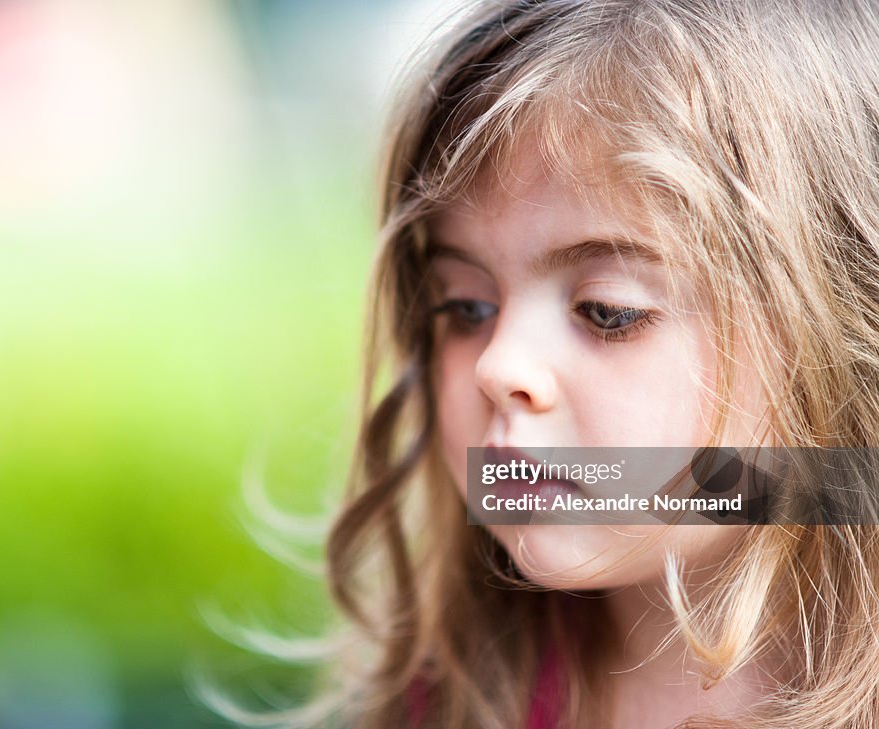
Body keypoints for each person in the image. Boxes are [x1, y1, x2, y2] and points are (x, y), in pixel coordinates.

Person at [318, 1, 879, 727]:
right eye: (464, 307)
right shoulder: (455, 695)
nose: (498, 366)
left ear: (844, 330)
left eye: (608, 310)